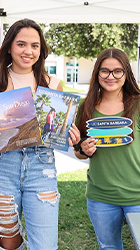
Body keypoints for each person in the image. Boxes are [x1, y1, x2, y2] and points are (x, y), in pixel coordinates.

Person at [0, 18, 77, 250]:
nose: (28, 51)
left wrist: (68, 133)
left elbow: (58, 129)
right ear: (9, 47)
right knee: (9, 244)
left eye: (35, 46)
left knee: (45, 246)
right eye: (21, 44)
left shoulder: (53, 84)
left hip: (41, 166)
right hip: (1, 167)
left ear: (41, 51)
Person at [69, 48, 140, 250]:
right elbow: (78, 152)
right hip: (101, 197)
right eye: (105, 71)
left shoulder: (138, 104)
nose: (111, 76)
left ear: (126, 74)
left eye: (118, 71)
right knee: (108, 247)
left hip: (137, 195)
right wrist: (83, 149)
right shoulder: (85, 106)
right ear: (96, 73)